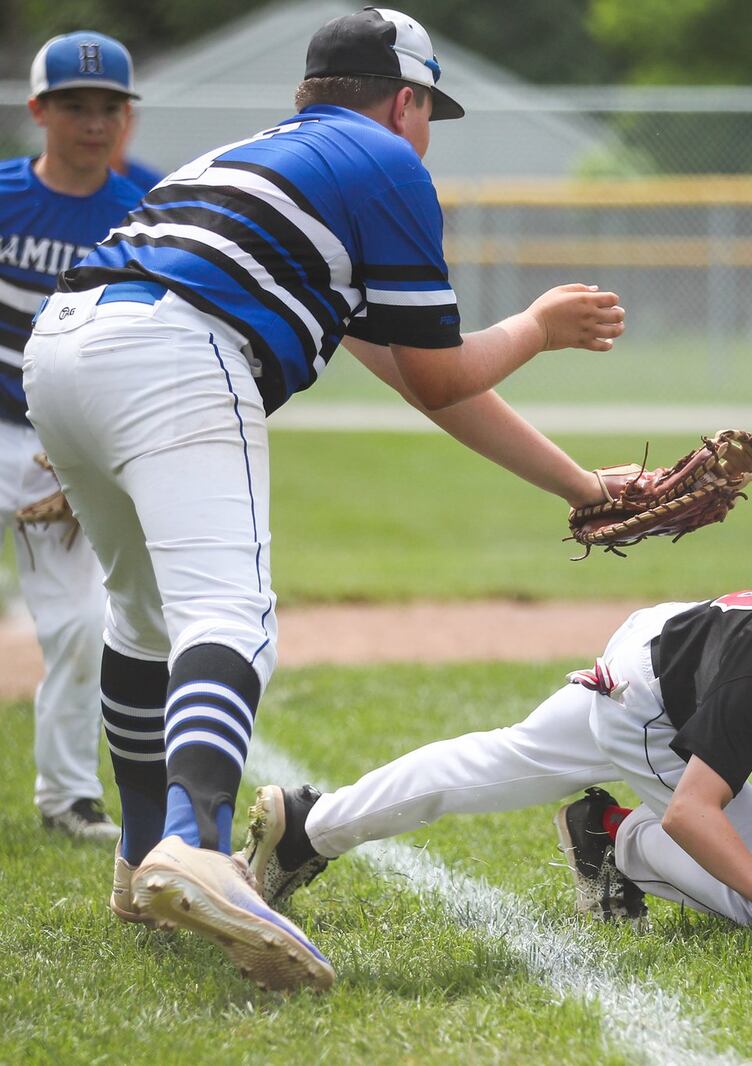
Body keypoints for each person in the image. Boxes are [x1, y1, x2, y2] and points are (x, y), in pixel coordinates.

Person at [21, 8, 626, 993]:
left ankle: (140, 864)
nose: (426, 131)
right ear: (405, 99)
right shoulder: (384, 162)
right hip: (173, 353)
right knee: (229, 611)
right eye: (429, 109)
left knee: (142, 619)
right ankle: (198, 843)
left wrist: (583, 485)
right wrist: (541, 324)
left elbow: (417, 375)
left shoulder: (258, 162)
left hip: (66, 348)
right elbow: (442, 374)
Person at [242, 527, 752, 950]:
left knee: (501, 761)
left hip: (664, 646)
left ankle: (310, 826)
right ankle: (614, 837)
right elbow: (696, 811)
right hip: (652, 696)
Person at [1, 32, 145, 843]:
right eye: (73, 106)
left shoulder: (147, 207)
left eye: (107, 108)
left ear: (126, 117)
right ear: (38, 111)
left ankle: (66, 797)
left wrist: (85, 451)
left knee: (82, 625)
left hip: (59, 449)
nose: (92, 123)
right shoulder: (4, 195)